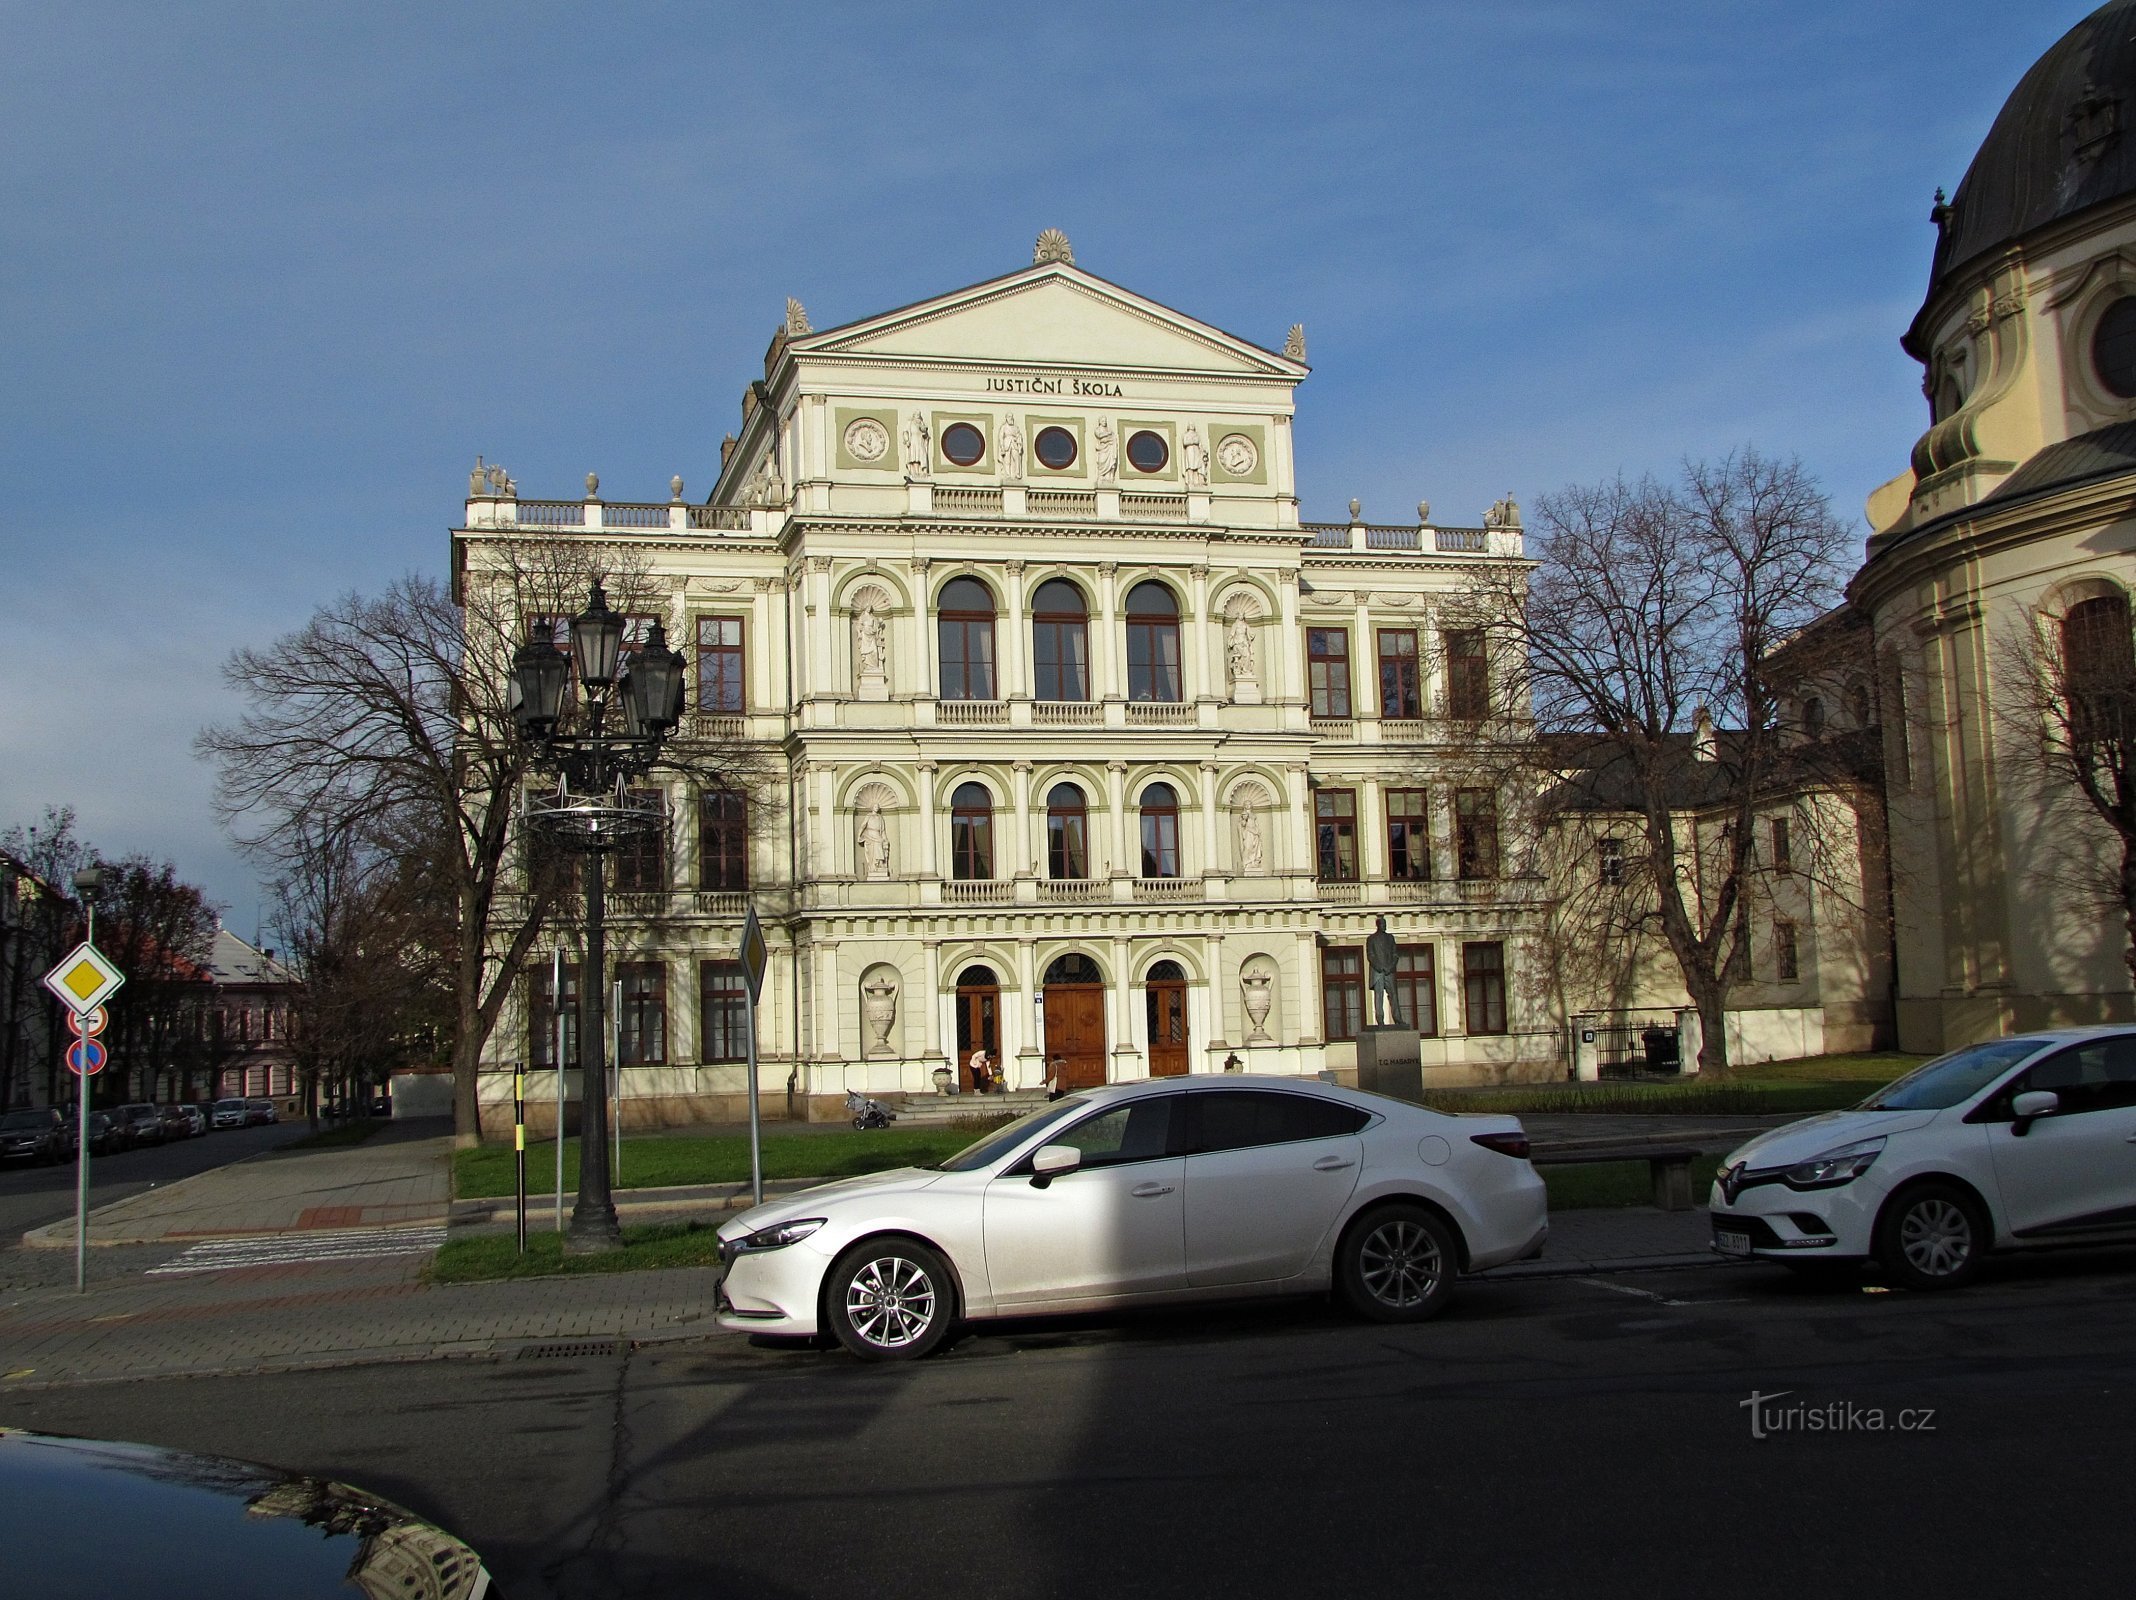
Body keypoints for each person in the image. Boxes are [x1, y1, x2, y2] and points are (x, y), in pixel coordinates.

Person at [1366, 915, 1402, 1026]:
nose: (1384, 926)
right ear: (1378, 925)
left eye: (1385, 924)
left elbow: (1395, 954)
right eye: (1383, 924)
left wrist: (1390, 967)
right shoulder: (1371, 939)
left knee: (1393, 995)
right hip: (1378, 971)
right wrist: (1379, 967)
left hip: (1389, 971)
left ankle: (1398, 1018)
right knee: (1379, 996)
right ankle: (1380, 1019)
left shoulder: (1390, 938)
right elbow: (1370, 955)